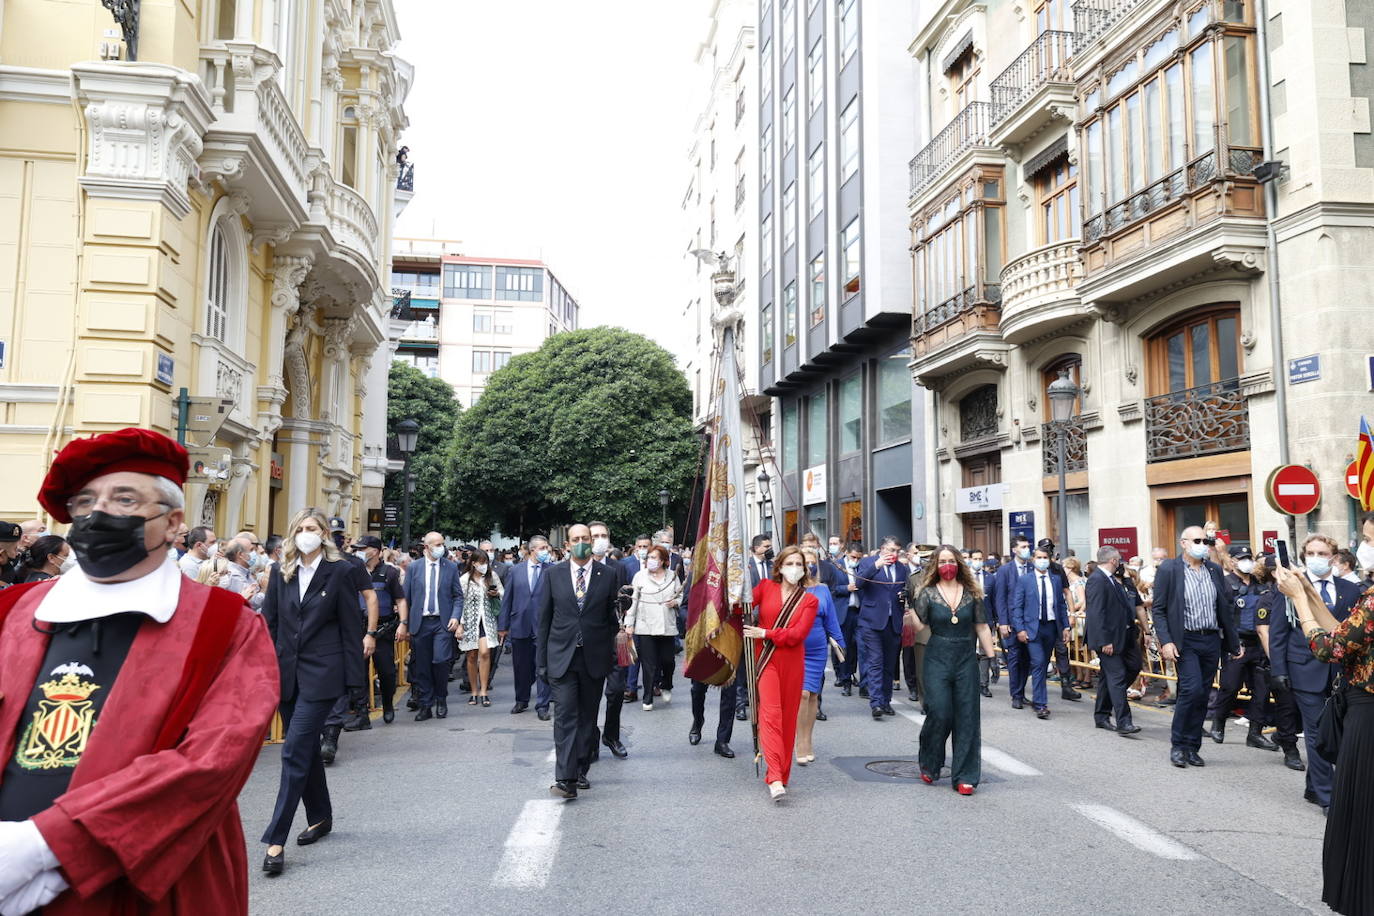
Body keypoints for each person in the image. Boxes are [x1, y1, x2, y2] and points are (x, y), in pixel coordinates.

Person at [0, 428, 278, 911]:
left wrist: (44, 846)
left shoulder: (224, 623)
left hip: (150, 881)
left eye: (124, 498)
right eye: (84, 501)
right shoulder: (14, 609)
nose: (98, 513)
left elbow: (211, 761)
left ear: (172, 523)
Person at [1274, 515, 1374, 915]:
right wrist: (1311, 595)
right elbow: (1346, 638)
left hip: (1368, 716)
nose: (1364, 546)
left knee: (1362, 813)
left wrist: (1299, 600)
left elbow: (1329, 649)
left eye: (1368, 539)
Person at [1268, 533, 1361, 808]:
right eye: (1311, 553)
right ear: (1303, 556)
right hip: (1304, 669)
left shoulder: (1351, 589)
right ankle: (1326, 794)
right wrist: (1278, 669)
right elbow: (1278, 631)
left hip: (1341, 672)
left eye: (1322, 553)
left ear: (1334, 557)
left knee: (1337, 729)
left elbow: (1348, 633)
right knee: (1316, 730)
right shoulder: (1288, 587)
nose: (1317, 558)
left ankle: (1312, 786)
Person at [539, 524, 622, 799]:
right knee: (564, 717)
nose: (582, 543)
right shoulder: (553, 575)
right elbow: (544, 621)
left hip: (593, 658)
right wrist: (542, 663)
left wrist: (611, 654)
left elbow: (611, 621)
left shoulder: (608, 575)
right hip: (561, 658)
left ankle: (581, 767)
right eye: (576, 540)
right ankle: (565, 778)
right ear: (567, 545)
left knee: (587, 718)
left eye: (585, 539)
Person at [905, 546, 996, 794]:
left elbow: (982, 627)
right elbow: (920, 625)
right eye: (943, 561)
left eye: (951, 560)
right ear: (935, 565)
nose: (947, 565)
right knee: (940, 712)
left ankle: (965, 776)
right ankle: (930, 762)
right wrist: (909, 606)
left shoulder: (972, 593)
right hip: (937, 658)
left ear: (959, 564)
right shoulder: (928, 594)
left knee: (967, 717)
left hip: (966, 658)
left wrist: (991, 656)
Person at [1152, 526, 1240, 769]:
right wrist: (1166, 641)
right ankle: (1178, 745)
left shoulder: (1213, 569)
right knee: (1190, 690)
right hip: (1185, 640)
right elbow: (1158, 609)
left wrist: (1233, 643)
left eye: (1206, 540)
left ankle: (1193, 747)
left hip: (1210, 639)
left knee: (1202, 694)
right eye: (1197, 540)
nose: (1203, 544)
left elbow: (1224, 608)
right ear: (1183, 543)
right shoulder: (1170, 569)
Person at [745, 546, 819, 802]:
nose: (795, 568)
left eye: (799, 564)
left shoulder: (810, 600)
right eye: (790, 563)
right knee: (771, 713)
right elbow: (740, 607)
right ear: (779, 566)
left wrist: (765, 633)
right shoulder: (765, 587)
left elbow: (798, 635)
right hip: (765, 659)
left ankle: (782, 773)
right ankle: (774, 776)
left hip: (791, 661)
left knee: (787, 719)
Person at [1206, 545, 1278, 751]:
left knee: (1262, 691)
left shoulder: (1261, 584)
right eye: (1241, 558)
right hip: (1236, 644)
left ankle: (1255, 733)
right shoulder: (1225, 583)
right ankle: (1218, 724)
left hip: (1259, 643)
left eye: (1248, 557)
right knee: (1230, 687)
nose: (1246, 561)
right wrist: (1230, 643)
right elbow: (1220, 615)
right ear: (1232, 560)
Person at [399, 531, 461, 721]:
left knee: (441, 661)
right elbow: (406, 598)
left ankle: (441, 698)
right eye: (437, 544)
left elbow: (458, 595)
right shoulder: (414, 568)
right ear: (426, 547)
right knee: (423, 666)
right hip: (420, 623)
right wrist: (404, 624)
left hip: (442, 622)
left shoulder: (450, 567)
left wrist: (456, 617)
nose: (441, 547)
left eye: (442, 543)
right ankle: (426, 704)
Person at [1085, 546, 1146, 736]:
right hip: (1108, 639)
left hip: (1125, 636)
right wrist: (1104, 641)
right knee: (1117, 677)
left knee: (1132, 667)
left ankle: (1102, 714)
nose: (1121, 563)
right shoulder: (1097, 580)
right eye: (1119, 559)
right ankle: (1124, 721)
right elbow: (1096, 613)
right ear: (1113, 561)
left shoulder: (1114, 580)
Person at [1010, 544, 1070, 720]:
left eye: (1045, 558)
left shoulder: (1056, 580)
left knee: (1043, 666)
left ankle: (1039, 699)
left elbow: (1060, 605)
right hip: (1032, 629)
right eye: (1039, 558)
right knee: (1037, 662)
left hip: (1050, 628)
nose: (1042, 561)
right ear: (1033, 560)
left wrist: (1065, 626)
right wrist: (1020, 629)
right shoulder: (1025, 580)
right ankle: (1040, 704)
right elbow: (1017, 607)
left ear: (1050, 560)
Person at [796, 546, 844, 765]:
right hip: (794, 647)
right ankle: (798, 742)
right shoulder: (790, 588)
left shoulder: (823, 589)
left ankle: (808, 739)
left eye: (812, 560)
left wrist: (841, 645)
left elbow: (831, 619)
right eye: (804, 561)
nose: (809, 565)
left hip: (817, 650)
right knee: (802, 694)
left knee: (813, 694)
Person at [353, 535, 405, 725]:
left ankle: (388, 704)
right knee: (359, 671)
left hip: (383, 629)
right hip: (359, 626)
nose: (358, 552)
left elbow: (400, 599)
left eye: (362, 548)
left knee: (386, 671)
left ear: (374, 551)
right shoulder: (354, 571)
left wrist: (403, 623)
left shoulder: (389, 573)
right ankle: (362, 713)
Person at [854, 537, 908, 720]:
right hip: (871, 621)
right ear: (882, 548)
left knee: (889, 664)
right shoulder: (868, 562)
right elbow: (859, 583)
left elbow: (905, 589)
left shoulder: (902, 568)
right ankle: (876, 703)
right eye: (891, 550)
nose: (894, 554)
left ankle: (886, 701)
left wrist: (904, 595)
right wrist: (876, 565)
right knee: (875, 661)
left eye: (897, 551)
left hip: (893, 621)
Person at [625, 544, 682, 711]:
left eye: (654, 558)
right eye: (649, 557)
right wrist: (630, 623)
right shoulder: (640, 576)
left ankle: (667, 684)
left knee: (667, 661)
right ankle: (647, 697)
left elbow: (680, 595)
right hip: (645, 625)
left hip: (666, 624)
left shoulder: (672, 576)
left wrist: (675, 602)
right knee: (648, 664)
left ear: (664, 560)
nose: (651, 561)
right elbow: (633, 601)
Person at [499, 535, 552, 716]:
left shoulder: (551, 570)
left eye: (547, 548)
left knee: (543, 667)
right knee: (521, 667)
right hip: (520, 624)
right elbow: (508, 599)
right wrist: (503, 626)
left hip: (543, 627)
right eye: (543, 548)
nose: (546, 551)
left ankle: (543, 705)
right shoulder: (516, 570)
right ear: (532, 550)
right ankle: (521, 700)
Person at [455, 548, 503, 708]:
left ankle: (484, 691)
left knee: (485, 652)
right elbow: (460, 602)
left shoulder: (492, 576)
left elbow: (503, 593)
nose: (484, 566)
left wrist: (496, 594)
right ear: (473, 563)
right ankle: (474, 691)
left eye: (486, 563)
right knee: (471, 655)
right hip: (469, 621)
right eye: (481, 563)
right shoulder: (464, 579)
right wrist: (460, 624)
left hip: (487, 621)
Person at [994, 536, 1035, 709]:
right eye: (1023, 546)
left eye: (1028, 546)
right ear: (1014, 549)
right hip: (1011, 622)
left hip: (1030, 622)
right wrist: (1003, 622)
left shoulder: (1033, 568)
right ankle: (1016, 695)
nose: (1027, 549)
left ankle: (1021, 691)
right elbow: (1001, 597)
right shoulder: (1005, 570)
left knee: (1027, 659)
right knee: (1014, 658)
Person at [969, 548, 999, 697]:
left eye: (980, 559)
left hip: (985, 620)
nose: (978, 561)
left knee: (985, 652)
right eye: (975, 559)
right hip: (967, 620)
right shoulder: (964, 578)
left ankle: (983, 684)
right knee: (968, 652)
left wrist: (995, 620)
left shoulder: (990, 578)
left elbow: (994, 600)